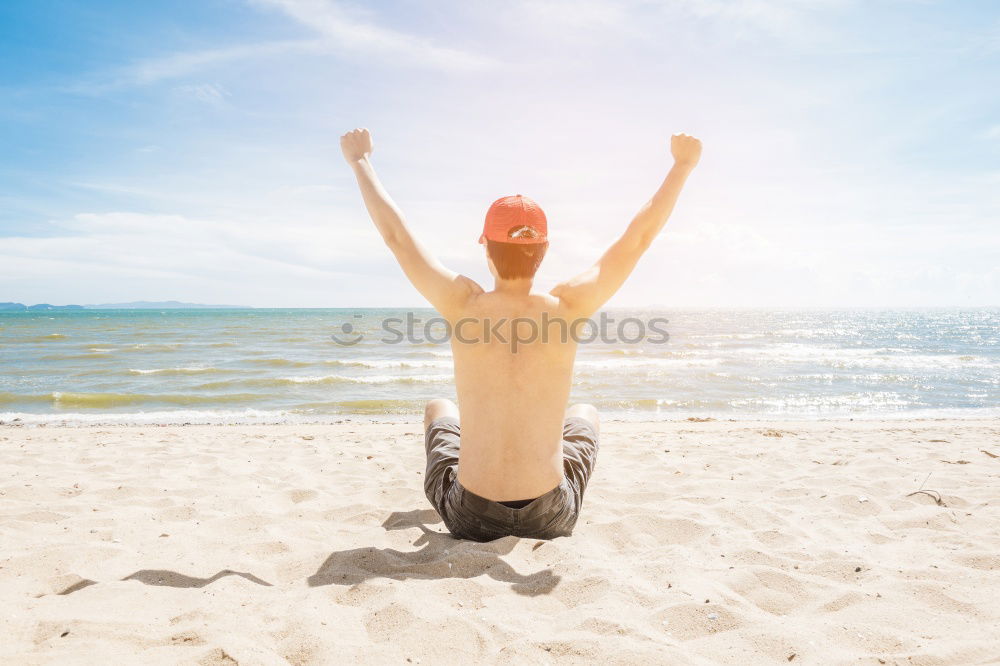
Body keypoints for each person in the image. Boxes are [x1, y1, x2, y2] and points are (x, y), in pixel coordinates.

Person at [340, 128, 702, 541]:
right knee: (585, 415)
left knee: (439, 408)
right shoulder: (568, 307)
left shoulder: (463, 304)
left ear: (484, 245)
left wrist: (360, 161)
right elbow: (638, 239)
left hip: (470, 516)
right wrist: (682, 165)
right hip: (550, 515)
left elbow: (398, 239)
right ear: (544, 250)